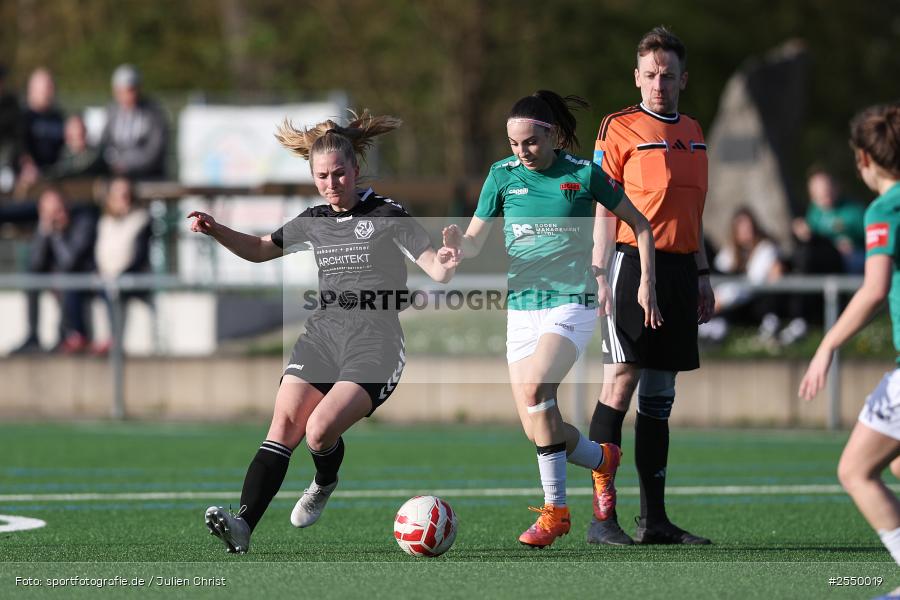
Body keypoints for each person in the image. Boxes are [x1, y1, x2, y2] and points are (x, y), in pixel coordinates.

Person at [195, 111, 458, 554]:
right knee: (283, 424)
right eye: (322, 176)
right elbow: (261, 250)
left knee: (318, 432)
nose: (332, 183)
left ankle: (324, 480)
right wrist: (216, 229)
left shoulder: (388, 213)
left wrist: (446, 263)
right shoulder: (313, 219)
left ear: (356, 170)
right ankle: (243, 526)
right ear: (313, 177)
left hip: (375, 344)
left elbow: (433, 263)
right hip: (321, 335)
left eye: (340, 173)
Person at [440, 90, 661, 548]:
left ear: (553, 135)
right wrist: (458, 245)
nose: (521, 152)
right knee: (539, 425)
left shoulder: (583, 175)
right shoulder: (501, 176)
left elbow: (640, 224)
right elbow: (478, 242)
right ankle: (602, 459)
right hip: (521, 309)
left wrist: (646, 283)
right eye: (513, 143)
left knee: (538, 390)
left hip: (572, 301)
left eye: (530, 143)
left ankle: (556, 512)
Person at [588, 26, 714, 546]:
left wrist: (703, 273)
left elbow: (693, 211)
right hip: (630, 265)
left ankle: (655, 521)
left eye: (667, 75)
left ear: (683, 78)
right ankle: (603, 520)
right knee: (621, 383)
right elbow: (602, 204)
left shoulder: (695, 130)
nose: (658, 83)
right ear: (636, 77)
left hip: (683, 270)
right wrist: (599, 273)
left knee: (661, 396)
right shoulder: (618, 127)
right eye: (649, 74)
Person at [799, 103, 900, 572]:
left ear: (863, 158)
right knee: (896, 465)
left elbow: (875, 288)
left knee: (855, 470)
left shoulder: (884, 208)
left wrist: (827, 344)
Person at [11, 186, 97, 354]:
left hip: (81, 278)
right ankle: (33, 336)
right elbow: (35, 264)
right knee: (31, 278)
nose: (51, 216)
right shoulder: (44, 227)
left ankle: (64, 336)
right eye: (46, 211)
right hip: (56, 276)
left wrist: (57, 234)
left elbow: (68, 261)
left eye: (55, 210)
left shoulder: (83, 222)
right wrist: (44, 232)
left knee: (64, 279)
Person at [700, 206, 782, 343]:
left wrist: (721, 301)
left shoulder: (766, 249)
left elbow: (753, 283)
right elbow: (720, 274)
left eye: (748, 227)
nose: (745, 232)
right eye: (741, 228)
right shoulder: (730, 251)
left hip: (754, 302)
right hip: (731, 300)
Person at [92, 177, 152, 354]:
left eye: (126, 195)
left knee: (113, 289)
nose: (122, 199)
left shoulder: (141, 219)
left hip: (131, 277)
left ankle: (113, 339)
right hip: (107, 277)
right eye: (118, 195)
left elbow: (139, 257)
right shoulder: (104, 222)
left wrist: (117, 276)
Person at [100, 64, 167, 178]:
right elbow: (104, 144)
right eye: (121, 91)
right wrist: (113, 162)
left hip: (148, 175)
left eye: (130, 90)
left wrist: (127, 164)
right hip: (117, 175)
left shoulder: (153, 113)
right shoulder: (111, 112)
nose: (128, 96)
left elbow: (154, 151)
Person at [17, 68, 65, 194]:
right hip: (29, 181)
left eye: (51, 87)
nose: (49, 92)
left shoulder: (58, 118)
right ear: (31, 90)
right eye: (45, 88)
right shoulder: (22, 118)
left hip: (56, 178)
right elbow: (18, 148)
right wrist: (26, 164)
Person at [45, 114, 106, 180]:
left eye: (82, 131)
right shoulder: (58, 156)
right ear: (67, 135)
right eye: (77, 131)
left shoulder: (95, 157)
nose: (81, 132)